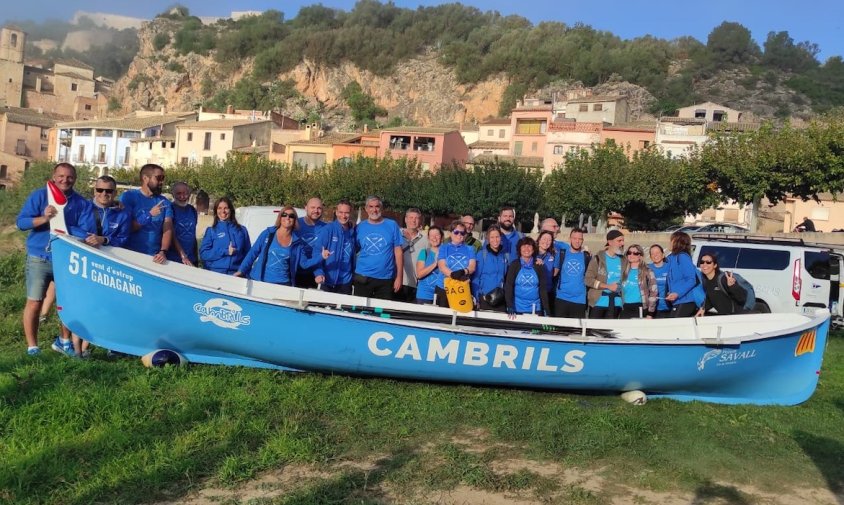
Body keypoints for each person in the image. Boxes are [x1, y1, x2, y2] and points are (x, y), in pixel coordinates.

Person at [16, 162, 96, 356]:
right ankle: (32, 347)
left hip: (67, 260)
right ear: (54, 177)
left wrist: (63, 226)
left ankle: (65, 342)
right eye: (61, 176)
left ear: (75, 179)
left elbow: (87, 232)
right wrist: (44, 219)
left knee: (67, 304)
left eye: (69, 177)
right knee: (35, 302)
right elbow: (21, 222)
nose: (65, 180)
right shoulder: (39, 196)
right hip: (39, 258)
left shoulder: (82, 203)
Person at [235, 206, 323, 284]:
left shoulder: (298, 243)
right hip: (259, 281)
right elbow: (253, 253)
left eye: (291, 216)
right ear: (280, 217)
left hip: (282, 285)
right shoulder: (268, 234)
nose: (288, 217)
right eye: (284, 215)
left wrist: (321, 256)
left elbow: (304, 264)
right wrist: (241, 271)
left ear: (295, 220)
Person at [120, 164, 173, 264]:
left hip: (153, 258)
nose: (162, 182)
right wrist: (149, 215)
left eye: (163, 178)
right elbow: (125, 228)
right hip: (129, 255)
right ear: (145, 178)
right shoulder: (129, 197)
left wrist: (163, 251)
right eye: (159, 178)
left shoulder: (164, 202)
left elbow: (167, 228)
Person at [353, 196, 404, 299]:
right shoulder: (359, 227)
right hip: (362, 276)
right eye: (371, 206)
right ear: (366, 209)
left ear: (381, 208)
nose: (374, 210)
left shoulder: (392, 225)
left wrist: (399, 277)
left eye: (377, 206)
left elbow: (398, 252)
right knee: (359, 310)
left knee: (381, 313)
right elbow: (353, 250)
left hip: (385, 279)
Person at [313, 199, 356, 294]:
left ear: (350, 213)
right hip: (327, 281)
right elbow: (316, 252)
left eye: (346, 213)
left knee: (344, 309)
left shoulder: (353, 232)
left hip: (346, 283)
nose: (343, 216)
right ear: (336, 212)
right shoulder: (328, 230)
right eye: (341, 212)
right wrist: (319, 273)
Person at [199, 197, 251, 275]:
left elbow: (248, 255)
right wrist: (225, 251)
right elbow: (204, 254)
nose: (223, 211)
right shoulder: (211, 231)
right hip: (215, 273)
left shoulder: (242, 230)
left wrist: (242, 271)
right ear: (216, 211)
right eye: (219, 208)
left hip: (235, 275)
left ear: (231, 210)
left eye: (226, 208)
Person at [585, 229, 627, 319]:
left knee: (611, 332)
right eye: (619, 241)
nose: (622, 244)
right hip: (598, 302)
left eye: (623, 241)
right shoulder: (598, 259)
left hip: (617, 303)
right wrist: (608, 286)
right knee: (594, 331)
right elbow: (588, 280)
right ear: (610, 242)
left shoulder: (624, 260)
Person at [504, 236, 550, 316]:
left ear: (533, 249)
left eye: (529, 246)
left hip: (535, 308)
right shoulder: (514, 265)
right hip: (517, 308)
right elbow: (509, 286)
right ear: (519, 249)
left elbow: (543, 289)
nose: (526, 249)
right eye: (524, 246)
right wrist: (509, 305)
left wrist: (546, 308)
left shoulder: (539, 266)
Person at [436, 220, 477, 307]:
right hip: (444, 288)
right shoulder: (444, 247)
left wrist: (463, 272)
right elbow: (442, 266)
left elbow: (472, 267)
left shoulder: (470, 249)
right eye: (456, 232)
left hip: (462, 288)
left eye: (462, 233)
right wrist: (454, 275)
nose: (459, 235)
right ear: (451, 233)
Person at [553, 228, 591, 318]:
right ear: (570, 239)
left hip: (579, 300)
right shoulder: (562, 254)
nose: (577, 241)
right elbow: (554, 273)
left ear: (582, 240)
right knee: (560, 330)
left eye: (580, 239)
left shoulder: (586, 256)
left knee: (576, 331)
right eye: (574, 238)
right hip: (562, 298)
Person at [472, 225, 509, 312]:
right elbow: (476, 278)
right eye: (492, 237)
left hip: (500, 298)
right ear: (488, 239)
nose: (495, 240)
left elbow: (505, 277)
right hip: (485, 298)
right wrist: (478, 297)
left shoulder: (505, 256)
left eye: (497, 237)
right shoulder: (482, 255)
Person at [619, 244, 658, 319]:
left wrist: (650, 313)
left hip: (639, 307)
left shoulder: (647, 271)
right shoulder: (623, 272)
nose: (631, 255)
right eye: (629, 253)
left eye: (635, 253)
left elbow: (654, 292)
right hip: (624, 307)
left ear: (640, 256)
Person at [295, 197, 327, 288]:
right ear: (306, 208)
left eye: (319, 208)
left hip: (315, 274)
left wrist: (319, 273)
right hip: (296, 272)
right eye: (312, 207)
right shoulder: (296, 224)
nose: (316, 211)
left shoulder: (326, 228)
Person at [665, 231, 699, 317]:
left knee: (674, 327)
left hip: (685, 301)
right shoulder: (671, 257)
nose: (669, 243)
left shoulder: (682, 257)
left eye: (671, 240)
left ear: (677, 242)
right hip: (676, 301)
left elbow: (691, 280)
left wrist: (677, 293)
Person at [166, 182, 198, 266]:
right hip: (173, 259)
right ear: (173, 195)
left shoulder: (192, 210)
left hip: (191, 259)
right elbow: (171, 234)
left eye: (185, 193)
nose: (182, 196)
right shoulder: (170, 209)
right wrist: (182, 255)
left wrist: (195, 256)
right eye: (178, 193)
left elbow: (193, 234)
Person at [400, 207, 428, 301]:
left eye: (416, 218)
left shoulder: (425, 239)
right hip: (398, 281)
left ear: (420, 221)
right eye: (411, 217)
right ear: (406, 219)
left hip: (415, 284)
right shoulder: (397, 234)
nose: (413, 220)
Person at [415, 226, 444, 304]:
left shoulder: (447, 253)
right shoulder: (424, 252)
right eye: (431, 235)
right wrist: (435, 264)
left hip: (441, 295)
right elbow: (419, 274)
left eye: (437, 235)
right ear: (428, 238)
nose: (434, 238)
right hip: (424, 295)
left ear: (442, 237)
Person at [536, 230, 557, 315]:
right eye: (544, 239)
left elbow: (554, 273)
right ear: (539, 239)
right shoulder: (531, 253)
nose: (546, 242)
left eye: (549, 240)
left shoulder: (553, 255)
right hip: (534, 292)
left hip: (547, 292)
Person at [648, 244, 671, 318]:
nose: (655, 255)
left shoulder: (670, 267)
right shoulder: (647, 269)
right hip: (654, 309)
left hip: (670, 307)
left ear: (663, 255)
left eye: (657, 253)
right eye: (652, 254)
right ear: (650, 257)